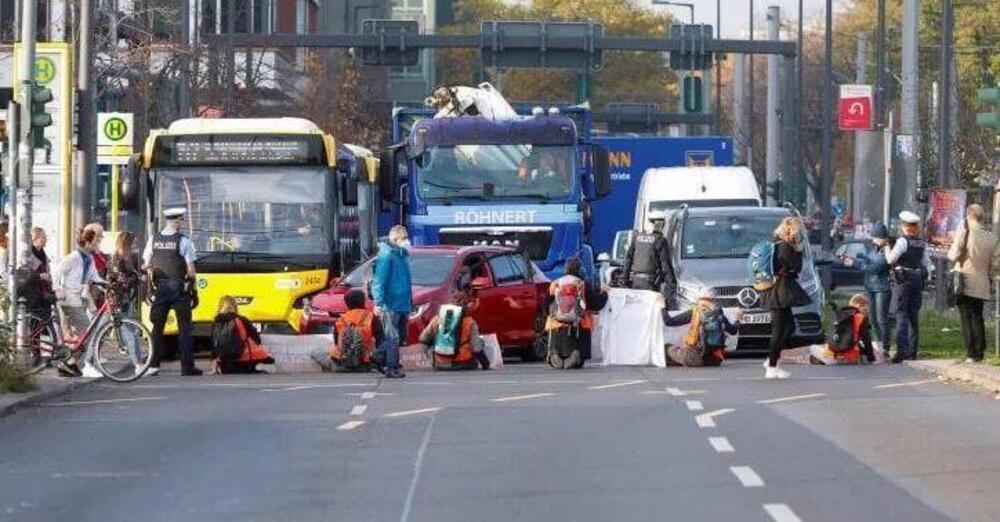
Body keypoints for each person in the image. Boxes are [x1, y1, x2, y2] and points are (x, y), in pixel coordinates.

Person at [143, 207, 202, 376]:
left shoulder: (153, 239)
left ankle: (153, 365)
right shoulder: (183, 241)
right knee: (184, 328)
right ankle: (187, 367)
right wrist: (194, 289)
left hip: (160, 288)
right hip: (179, 289)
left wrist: (150, 284)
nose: (181, 224)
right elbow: (191, 270)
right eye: (180, 221)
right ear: (176, 221)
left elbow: (146, 265)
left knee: (157, 327)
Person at [947, 204, 1000, 364]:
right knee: (978, 316)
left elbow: (952, 255)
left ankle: (971, 352)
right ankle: (980, 352)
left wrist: (953, 240)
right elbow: (996, 263)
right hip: (982, 282)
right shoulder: (991, 237)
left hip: (964, 280)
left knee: (966, 317)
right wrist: (989, 274)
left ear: (968, 215)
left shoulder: (964, 233)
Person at [761, 217, 811, 379]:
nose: (799, 235)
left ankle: (771, 360)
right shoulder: (784, 246)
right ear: (791, 231)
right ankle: (772, 365)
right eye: (798, 232)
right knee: (780, 329)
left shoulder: (775, 243)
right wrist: (798, 249)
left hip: (776, 290)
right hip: (779, 291)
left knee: (787, 327)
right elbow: (796, 267)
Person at [53, 228, 105, 377]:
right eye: (95, 242)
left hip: (79, 299)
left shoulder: (90, 258)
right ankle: (67, 362)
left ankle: (69, 363)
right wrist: (57, 289)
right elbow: (57, 272)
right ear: (87, 242)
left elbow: (94, 277)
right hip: (68, 299)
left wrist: (107, 285)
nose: (97, 245)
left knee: (79, 335)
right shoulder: (74, 257)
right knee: (86, 332)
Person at [545, 256, 608, 370]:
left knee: (553, 325)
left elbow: (546, 305)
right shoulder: (582, 284)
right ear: (580, 269)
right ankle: (576, 355)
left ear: (565, 269)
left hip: (557, 328)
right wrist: (605, 293)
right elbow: (596, 304)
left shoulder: (555, 284)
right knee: (579, 360)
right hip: (578, 329)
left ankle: (554, 353)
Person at [884, 210, 928, 363]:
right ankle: (912, 352)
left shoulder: (903, 241)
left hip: (903, 280)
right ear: (915, 227)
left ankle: (901, 352)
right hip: (917, 279)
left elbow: (891, 260)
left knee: (901, 314)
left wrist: (886, 248)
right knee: (913, 316)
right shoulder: (922, 243)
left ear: (904, 226)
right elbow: (926, 263)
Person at [844, 221, 892, 359]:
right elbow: (869, 262)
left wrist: (855, 263)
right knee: (872, 319)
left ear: (883, 237)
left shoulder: (886, 250)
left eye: (876, 237)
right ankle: (878, 344)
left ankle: (885, 347)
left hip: (882, 288)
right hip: (871, 286)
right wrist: (859, 258)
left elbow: (875, 267)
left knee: (882, 318)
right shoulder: (874, 249)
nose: (874, 240)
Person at [371, 225, 412, 379]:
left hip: (402, 303)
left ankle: (377, 356)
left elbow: (405, 282)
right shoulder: (386, 256)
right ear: (395, 239)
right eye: (404, 238)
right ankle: (392, 367)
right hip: (390, 302)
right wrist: (378, 303)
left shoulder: (402, 255)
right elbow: (379, 281)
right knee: (392, 337)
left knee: (400, 337)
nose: (407, 241)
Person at [662, 288, 743, 367]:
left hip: (694, 357)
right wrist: (737, 319)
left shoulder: (695, 311)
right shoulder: (719, 313)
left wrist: (662, 306)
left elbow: (669, 321)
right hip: (715, 360)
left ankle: (681, 361)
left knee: (666, 348)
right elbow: (733, 331)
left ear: (699, 300)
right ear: (713, 300)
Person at [417, 290, 491, 371]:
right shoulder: (469, 322)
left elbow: (423, 339)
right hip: (463, 363)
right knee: (480, 342)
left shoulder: (438, 318)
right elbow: (477, 348)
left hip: (440, 364)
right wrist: (486, 365)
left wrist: (429, 358)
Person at [210, 296, 275, 374]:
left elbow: (214, 343)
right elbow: (257, 339)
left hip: (226, 364)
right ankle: (255, 369)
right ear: (235, 307)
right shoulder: (242, 319)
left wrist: (216, 362)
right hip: (246, 360)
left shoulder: (217, 321)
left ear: (220, 307)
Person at [810, 294, 876, 365]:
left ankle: (823, 362)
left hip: (833, 358)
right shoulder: (861, 319)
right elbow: (867, 342)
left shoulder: (839, 315)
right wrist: (871, 359)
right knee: (858, 346)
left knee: (813, 347)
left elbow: (830, 336)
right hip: (851, 360)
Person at [328, 289, 383, 372]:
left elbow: (337, 342)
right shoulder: (371, 317)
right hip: (363, 362)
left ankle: (340, 367)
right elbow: (381, 340)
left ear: (347, 303)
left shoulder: (341, 319)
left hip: (340, 361)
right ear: (363, 301)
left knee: (317, 353)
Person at [623, 217, 673, 297]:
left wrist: (625, 277)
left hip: (636, 281)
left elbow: (628, 258)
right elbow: (665, 264)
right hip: (650, 282)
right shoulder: (660, 240)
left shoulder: (636, 238)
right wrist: (672, 283)